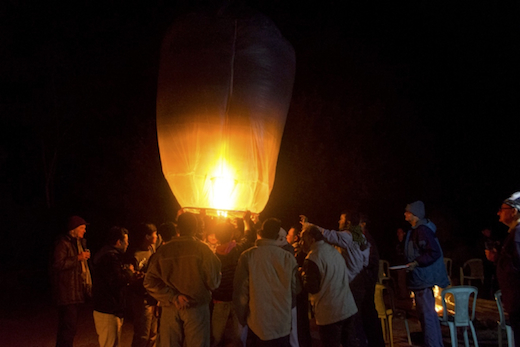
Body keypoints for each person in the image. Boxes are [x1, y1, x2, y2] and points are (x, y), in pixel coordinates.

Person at [300, 212, 384, 347]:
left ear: (348, 223)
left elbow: (328, 234)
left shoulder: (348, 236)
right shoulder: (359, 237)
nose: (338, 221)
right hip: (360, 279)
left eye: (341, 219)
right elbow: (365, 257)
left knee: (356, 324)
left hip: (354, 283)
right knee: (362, 319)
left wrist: (309, 225)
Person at [144, 212, 222, 347]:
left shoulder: (163, 251)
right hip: (196, 308)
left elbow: (149, 282)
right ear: (196, 229)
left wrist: (173, 296)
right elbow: (214, 282)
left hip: (170, 308)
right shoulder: (203, 250)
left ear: (178, 229)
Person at [233, 217, 300, 347]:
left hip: (257, 324)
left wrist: (243, 319)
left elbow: (241, 293)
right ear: (276, 236)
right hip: (282, 324)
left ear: (261, 233)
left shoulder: (248, 256)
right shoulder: (288, 258)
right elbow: (295, 290)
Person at [300, 224, 358, 347]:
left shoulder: (312, 258)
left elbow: (312, 287)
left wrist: (301, 275)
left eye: (302, 239)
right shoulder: (334, 251)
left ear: (312, 239)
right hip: (348, 307)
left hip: (330, 313)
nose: (301, 243)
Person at [403, 201, 449, 347]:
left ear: (415, 214)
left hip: (423, 279)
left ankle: (433, 344)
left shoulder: (422, 230)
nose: (405, 214)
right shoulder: (418, 229)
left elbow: (433, 251)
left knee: (427, 316)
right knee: (428, 316)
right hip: (421, 278)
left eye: (407, 212)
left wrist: (417, 263)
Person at [211, 216, 256, 347]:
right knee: (239, 337)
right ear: (231, 234)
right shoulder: (239, 250)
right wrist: (247, 222)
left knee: (216, 337)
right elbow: (247, 237)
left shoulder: (212, 255)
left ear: (216, 236)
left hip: (219, 300)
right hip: (238, 300)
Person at [51, 215, 92, 347]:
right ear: (74, 229)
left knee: (67, 328)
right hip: (67, 293)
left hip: (75, 292)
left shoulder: (78, 244)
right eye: (82, 228)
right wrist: (78, 258)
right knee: (69, 328)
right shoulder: (63, 243)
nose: (84, 231)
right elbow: (58, 264)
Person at [92, 226, 136, 347]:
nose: (128, 244)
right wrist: (129, 272)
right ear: (118, 242)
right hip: (108, 310)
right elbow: (116, 281)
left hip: (107, 309)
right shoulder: (110, 258)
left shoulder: (106, 255)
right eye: (126, 241)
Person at [127, 223, 159, 347]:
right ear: (147, 236)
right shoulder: (136, 255)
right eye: (154, 234)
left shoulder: (152, 249)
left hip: (153, 296)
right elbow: (131, 276)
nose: (156, 236)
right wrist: (136, 275)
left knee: (153, 333)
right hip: (141, 298)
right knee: (142, 333)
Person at [495, 192, 520, 347]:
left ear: (514, 211)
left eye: (503, 209)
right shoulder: (515, 233)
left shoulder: (518, 234)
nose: (499, 212)